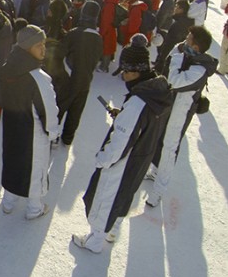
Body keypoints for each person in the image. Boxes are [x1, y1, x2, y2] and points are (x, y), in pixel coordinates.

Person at [73, 44, 172, 253]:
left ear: (135, 71)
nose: (124, 76)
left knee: (106, 198)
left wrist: (102, 159)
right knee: (124, 195)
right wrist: (126, 116)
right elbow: (144, 123)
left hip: (123, 162)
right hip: (142, 156)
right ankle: (112, 231)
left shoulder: (138, 102)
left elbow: (120, 144)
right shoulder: (158, 92)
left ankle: (95, 241)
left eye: (125, 71)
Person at [145, 26, 218, 207]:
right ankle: (155, 170)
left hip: (180, 112)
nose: (185, 40)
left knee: (170, 147)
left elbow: (174, 80)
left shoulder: (199, 69)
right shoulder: (185, 53)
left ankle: (158, 191)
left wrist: (177, 56)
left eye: (189, 38)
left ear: (197, 47)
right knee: (158, 138)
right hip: (169, 105)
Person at [0, 25, 59, 219]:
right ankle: (35, 208)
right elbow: (48, 110)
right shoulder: (38, 78)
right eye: (38, 45)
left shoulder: (8, 68)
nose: (43, 49)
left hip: (12, 127)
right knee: (35, 167)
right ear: (26, 47)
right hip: (33, 131)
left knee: (12, 162)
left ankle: (8, 201)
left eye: (44, 44)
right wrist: (52, 132)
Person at [55, 2, 103, 146]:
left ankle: (52, 135)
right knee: (75, 112)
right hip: (86, 80)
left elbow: (60, 53)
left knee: (59, 107)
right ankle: (68, 138)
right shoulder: (98, 37)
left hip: (70, 78)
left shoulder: (75, 33)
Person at [154, 0, 194, 74]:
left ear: (181, 9)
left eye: (176, 7)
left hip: (171, 51)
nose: (174, 8)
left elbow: (171, 42)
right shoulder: (185, 21)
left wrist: (161, 59)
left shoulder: (179, 24)